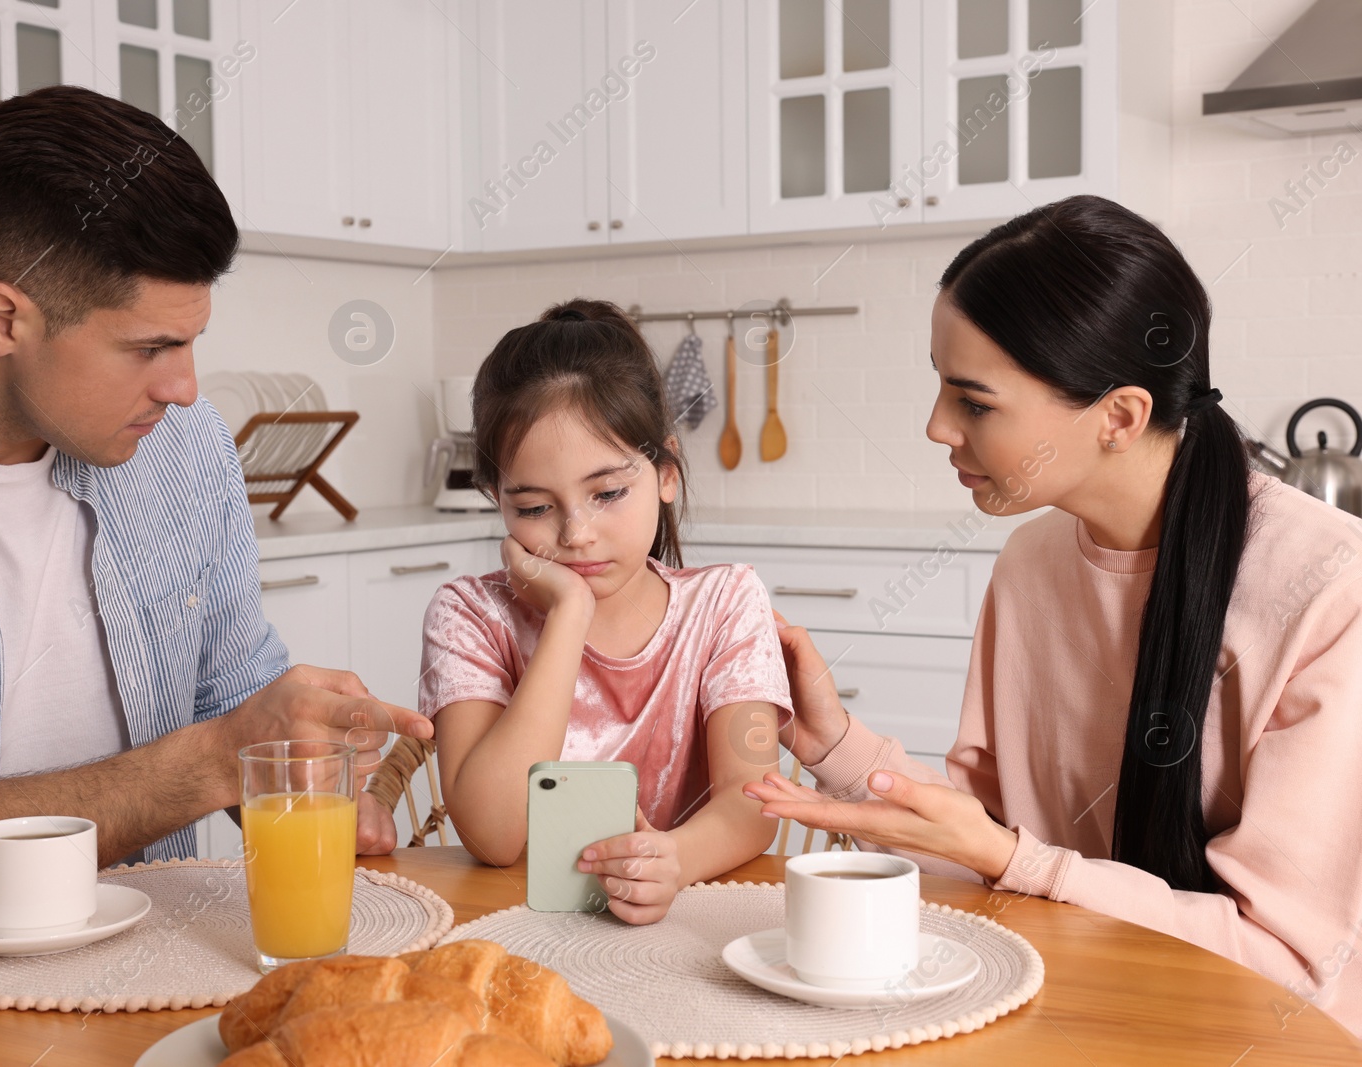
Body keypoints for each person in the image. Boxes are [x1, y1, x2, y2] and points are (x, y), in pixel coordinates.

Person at [0, 86, 429, 924]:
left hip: (163, 973)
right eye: (151, 348)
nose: (185, 389)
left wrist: (298, 760)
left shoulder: (183, 449)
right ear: (2, 320)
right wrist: (212, 762)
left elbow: (232, 695)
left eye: (191, 343)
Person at [744, 195, 1362, 1035]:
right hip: (1069, 1009)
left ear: (1119, 416)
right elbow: (985, 849)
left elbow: (1287, 963)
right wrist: (836, 747)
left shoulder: (1331, 590)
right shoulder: (1032, 563)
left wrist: (1016, 860)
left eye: (975, 401)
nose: (936, 427)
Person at [418, 299, 792, 925]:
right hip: (518, 927)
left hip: (685, 922)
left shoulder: (725, 602)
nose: (576, 533)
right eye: (534, 507)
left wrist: (670, 860)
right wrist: (568, 613)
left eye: (608, 493)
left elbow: (751, 804)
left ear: (666, 472)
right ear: (497, 501)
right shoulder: (469, 614)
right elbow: (493, 835)